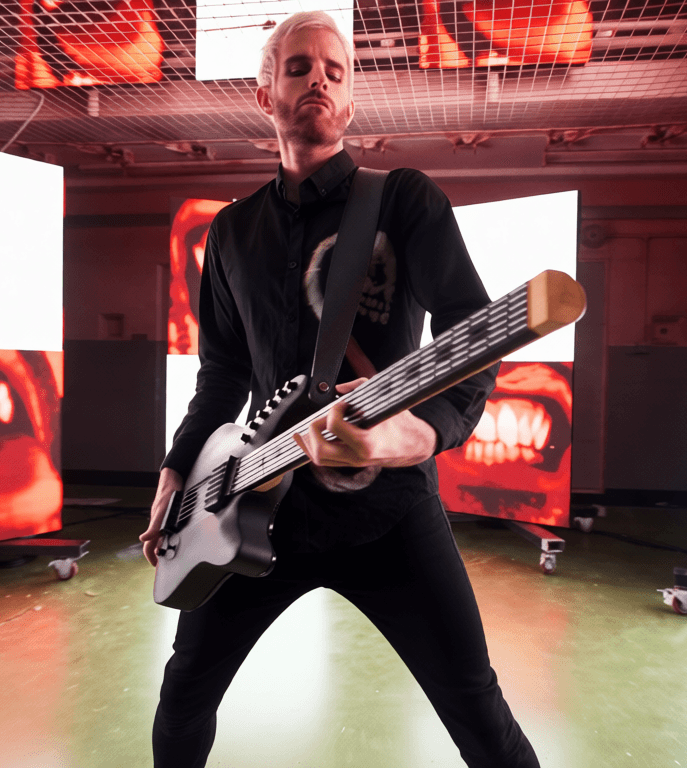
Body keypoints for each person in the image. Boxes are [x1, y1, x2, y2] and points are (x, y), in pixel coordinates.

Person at [138, 11, 540, 768]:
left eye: (333, 70)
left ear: (350, 102)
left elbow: (474, 332)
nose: (316, 79)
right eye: (297, 68)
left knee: (477, 707)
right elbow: (221, 373)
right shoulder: (230, 234)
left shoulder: (405, 202)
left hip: (388, 515)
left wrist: (414, 436)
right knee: (183, 696)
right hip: (253, 511)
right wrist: (173, 472)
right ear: (266, 95)